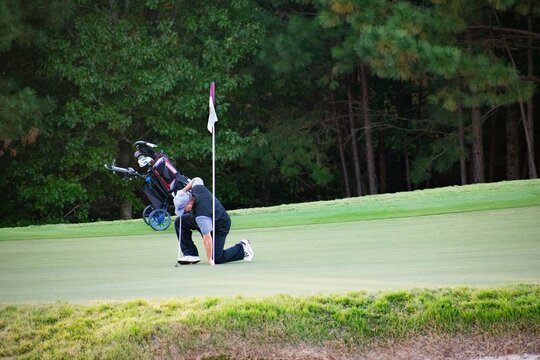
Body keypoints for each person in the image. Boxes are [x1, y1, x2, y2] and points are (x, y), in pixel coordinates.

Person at [173, 177, 254, 265]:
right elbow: (196, 179)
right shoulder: (197, 189)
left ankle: (242, 248)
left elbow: (207, 238)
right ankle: (191, 254)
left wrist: (210, 260)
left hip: (220, 224)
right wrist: (182, 191)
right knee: (180, 222)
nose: (184, 211)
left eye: (183, 209)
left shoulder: (201, 216)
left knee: (216, 258)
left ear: (189, 203)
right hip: (209, 217)